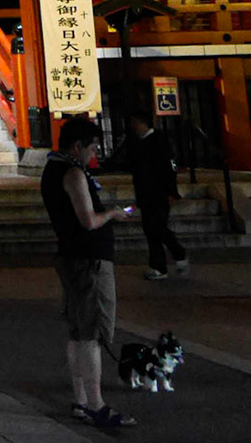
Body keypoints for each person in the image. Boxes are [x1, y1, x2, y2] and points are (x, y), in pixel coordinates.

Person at [42, 116, 136, 429]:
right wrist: (112, 212)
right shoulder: (71, 173)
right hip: (88, 260)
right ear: (77, 145)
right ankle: (96, 404)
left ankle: (82, 400)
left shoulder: (52, 168)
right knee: (90, 333)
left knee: (77, 329)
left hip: (71, 256)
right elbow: (88, 220)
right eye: (92, 147)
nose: (93, 153)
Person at [114, 110, 189, 280]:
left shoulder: (157, 142)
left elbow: (169, 168)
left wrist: (170, 191)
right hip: (147, 193)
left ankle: (174, 255)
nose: (133, 127)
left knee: (157, 227)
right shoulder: (142, 142)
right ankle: (159, 265)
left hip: (158, 193)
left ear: (142, 124)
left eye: (135, 123)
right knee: (151, 229)